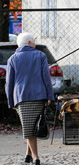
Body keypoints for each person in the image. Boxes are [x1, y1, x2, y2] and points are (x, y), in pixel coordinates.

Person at [5, 32, 54, 165]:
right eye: (34, 41)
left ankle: (33, 156)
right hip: (39, 96)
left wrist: (10, 101)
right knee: (31, 127)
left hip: (21, 97)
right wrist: (50, 95)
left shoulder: (12, 59)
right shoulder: (40, 55)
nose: (35, 44)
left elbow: (9, 83)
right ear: (29, 43)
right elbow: (46, 78)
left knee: (29, 127)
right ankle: (33, 156)